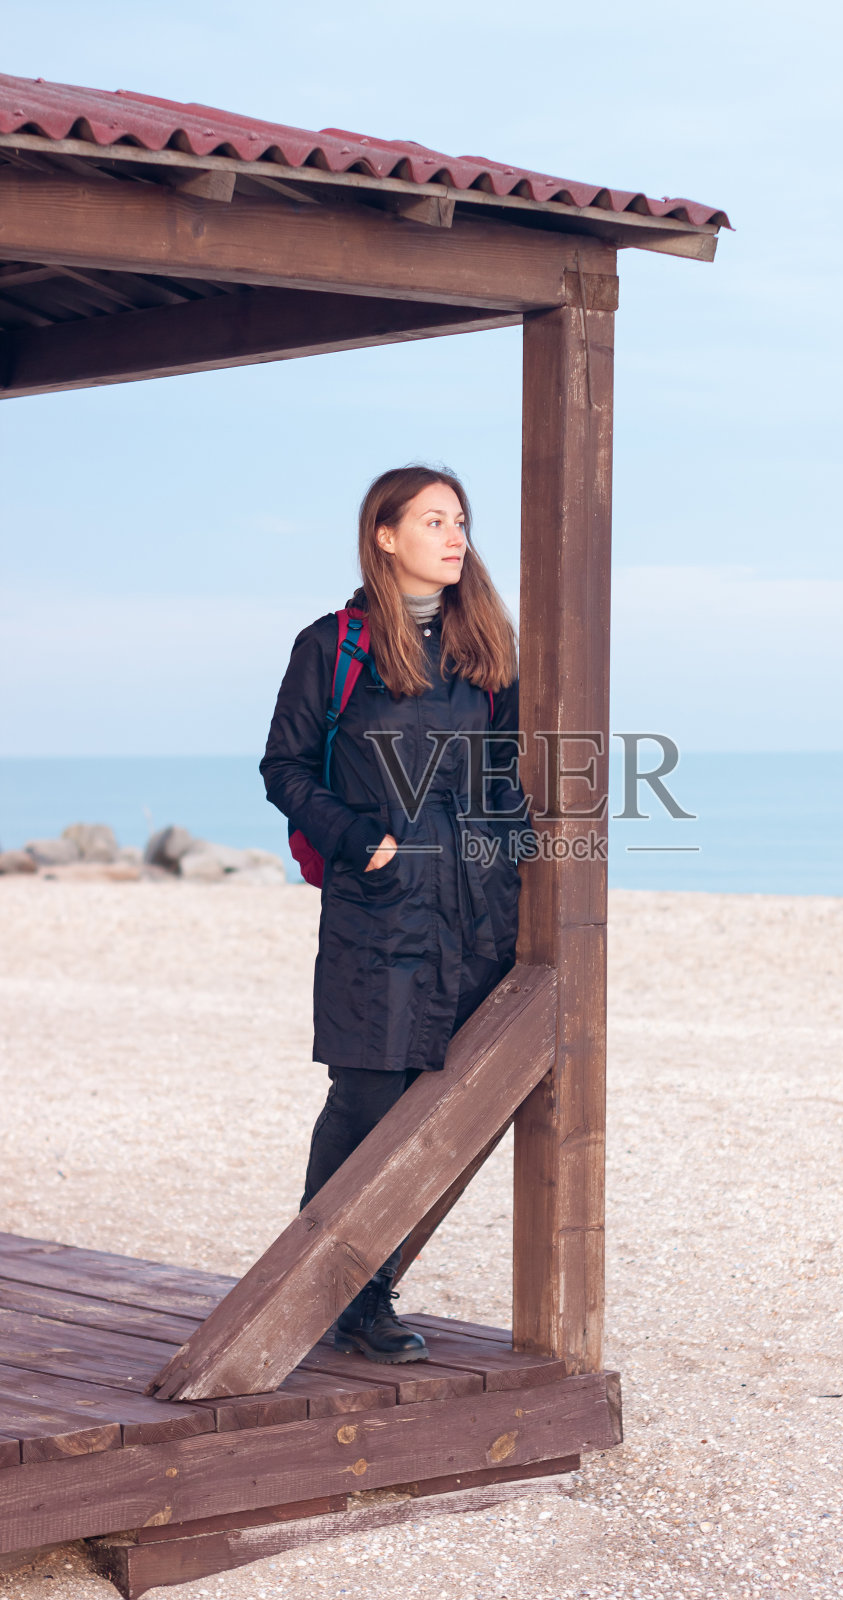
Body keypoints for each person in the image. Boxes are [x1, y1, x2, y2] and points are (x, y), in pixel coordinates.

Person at [260, 465, 533, 1364]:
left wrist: (510, 849)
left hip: (476, 912)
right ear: (385, 536)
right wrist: (358, 840)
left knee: (442, 1107)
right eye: (433, 521)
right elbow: (284, 768)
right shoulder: (333, 646)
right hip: (378, 912)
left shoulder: (486, 645)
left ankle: (368, 1291)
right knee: (366, 1099)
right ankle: (325, 1291)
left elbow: (506, 770)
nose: (455, 537)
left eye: (461, 522)